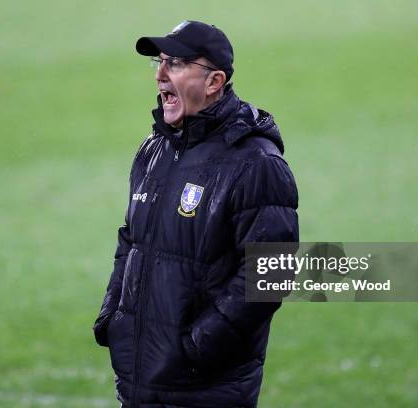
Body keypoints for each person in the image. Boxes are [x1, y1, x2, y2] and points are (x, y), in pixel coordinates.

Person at [93, 20, 299, 408]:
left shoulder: (255, 163)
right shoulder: (154, 151)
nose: (160, 75)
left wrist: (196, 347)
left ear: (214, 82)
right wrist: (114, 318)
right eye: (160, 62)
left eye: (176, 64)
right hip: (139, 382)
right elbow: (131, 241)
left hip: (205, 390)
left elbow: (272, 271)